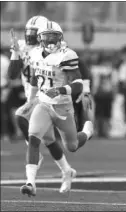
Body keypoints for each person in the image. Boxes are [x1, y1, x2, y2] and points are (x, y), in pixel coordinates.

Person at [19, 21, 90, 197]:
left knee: (71, 146)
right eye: (47, 37)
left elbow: (78, 84)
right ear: (40, 39)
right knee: (33, 138)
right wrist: (31, 100)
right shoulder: (35, 53)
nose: (51, 41)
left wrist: (60, 90)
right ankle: (30, 183)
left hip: (63, 106)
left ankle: (87, 131)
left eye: (54, 37)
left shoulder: (66, 55)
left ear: (61, 38)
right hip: (43, 104)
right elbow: (36, 78)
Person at [8, 16, 76, 195]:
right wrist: (15, 53)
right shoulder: (24, 48)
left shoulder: (59, 50)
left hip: (48, 96)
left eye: (33, 33)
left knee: (20, 116)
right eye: (28, 33)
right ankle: (66, 170)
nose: (29, 37)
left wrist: (81, 89)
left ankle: (34, 158)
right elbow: (13, 75)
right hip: (34, 94)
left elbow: (73, 72)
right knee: (49, 140)